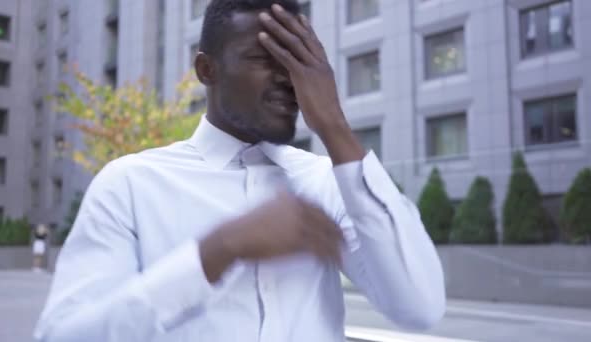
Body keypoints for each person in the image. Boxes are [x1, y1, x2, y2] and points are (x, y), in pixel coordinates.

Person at [34, 1, 445, 341]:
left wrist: (335, 127)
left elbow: (419, 307)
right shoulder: (129, 184)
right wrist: (218, 251)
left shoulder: (329, 181)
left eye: (301, 61)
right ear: (206, 70)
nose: (290, 79)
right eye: (264, 59)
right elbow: (63, 335)